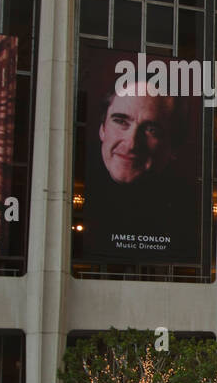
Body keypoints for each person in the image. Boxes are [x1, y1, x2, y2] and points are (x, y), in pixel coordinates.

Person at [84, 80, 198, 261]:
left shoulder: (191, 220)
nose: (131, 144)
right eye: (120, 121)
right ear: (102, 128)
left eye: (151, 129)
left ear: (174, 146)